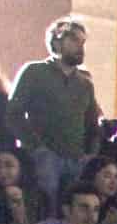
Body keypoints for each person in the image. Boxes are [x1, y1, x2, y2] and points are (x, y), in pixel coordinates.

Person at [6, 18, 100, 205]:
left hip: (76, 160)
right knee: (44, 207)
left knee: (71, 212)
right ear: (57, 42)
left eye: (82, 42)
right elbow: (14, 113)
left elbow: (92, 124)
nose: (80, 47)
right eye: (73, 40)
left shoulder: (85, 84)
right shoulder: (34, 72)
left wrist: (90, 155)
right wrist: (37, 148)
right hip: (44, 158)